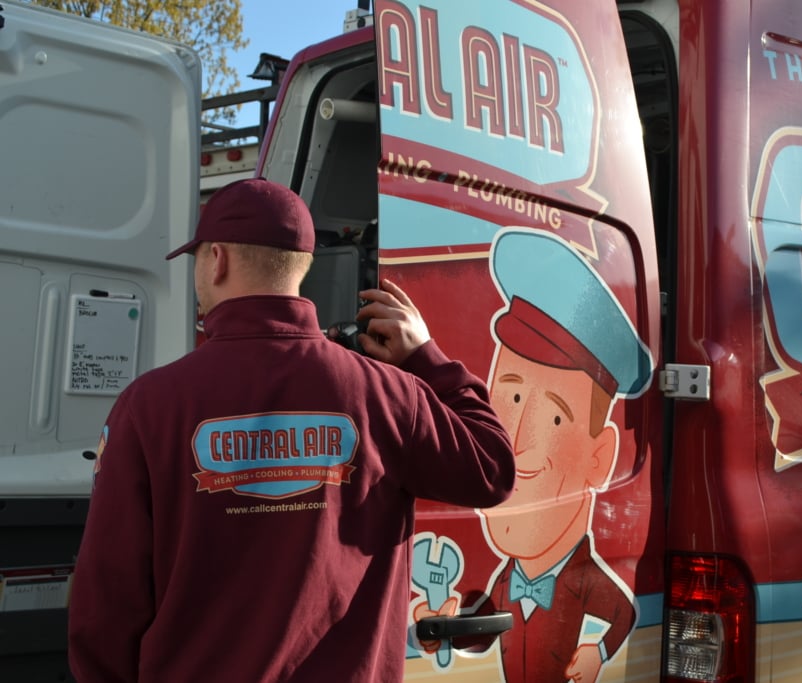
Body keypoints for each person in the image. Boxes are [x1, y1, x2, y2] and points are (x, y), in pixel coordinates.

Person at [68, 178, 516, 683]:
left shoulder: (147, 407)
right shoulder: (391, 394)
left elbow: (106, 605)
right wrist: (425, 358)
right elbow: (492, 470)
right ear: (301, 266)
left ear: (217, 259)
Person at [414, 228, 654, 683]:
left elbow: (621, 610)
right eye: (510, 400)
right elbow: (482, 627)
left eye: (556, 420)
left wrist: (597, 651)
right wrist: (440, 629)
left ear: (599, 460)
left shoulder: (587, 580)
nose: (517, 442)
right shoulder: (507, 579)